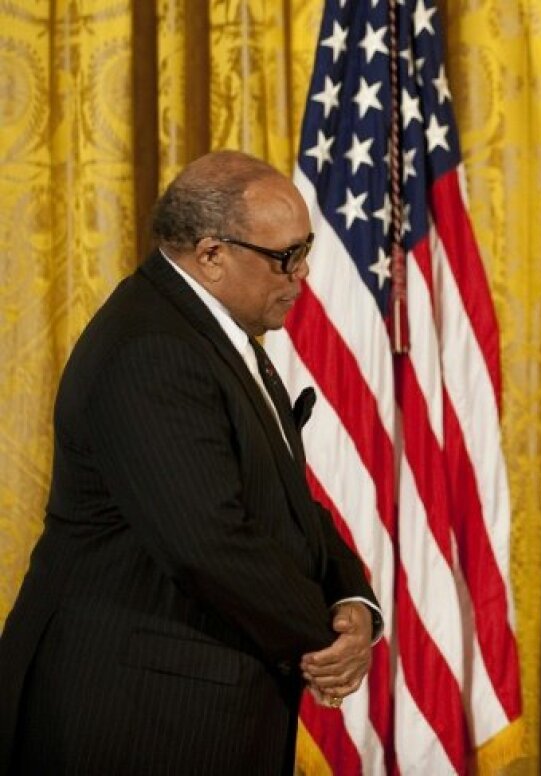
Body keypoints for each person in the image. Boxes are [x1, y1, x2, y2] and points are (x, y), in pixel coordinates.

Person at [0, 150, 382, 775]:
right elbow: (207, 541)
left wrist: (354, 602)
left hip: (188, 703)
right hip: (136, 712)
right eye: (286, 256)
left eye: (305, 248)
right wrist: (325, 639)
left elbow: (282, 500)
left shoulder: (217, 335)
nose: (303, 272)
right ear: (211, 256)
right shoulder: (152, 349)